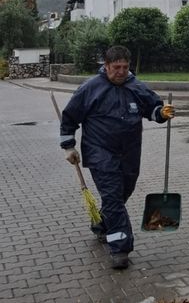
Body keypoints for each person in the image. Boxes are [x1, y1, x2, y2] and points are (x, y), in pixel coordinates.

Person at [59, 45, 175, 269]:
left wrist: (162, 113)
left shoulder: (137, 87)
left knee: (123, 193)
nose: (121, 71)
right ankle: (120, 248)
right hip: (100, 152)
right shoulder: (90, 89)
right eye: (116, 67)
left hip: (130, 153)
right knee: (112, 198)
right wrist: (68, 146)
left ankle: (102, 225)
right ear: (106, 66)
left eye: (125, 67)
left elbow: (153, 109)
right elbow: (70, 116)